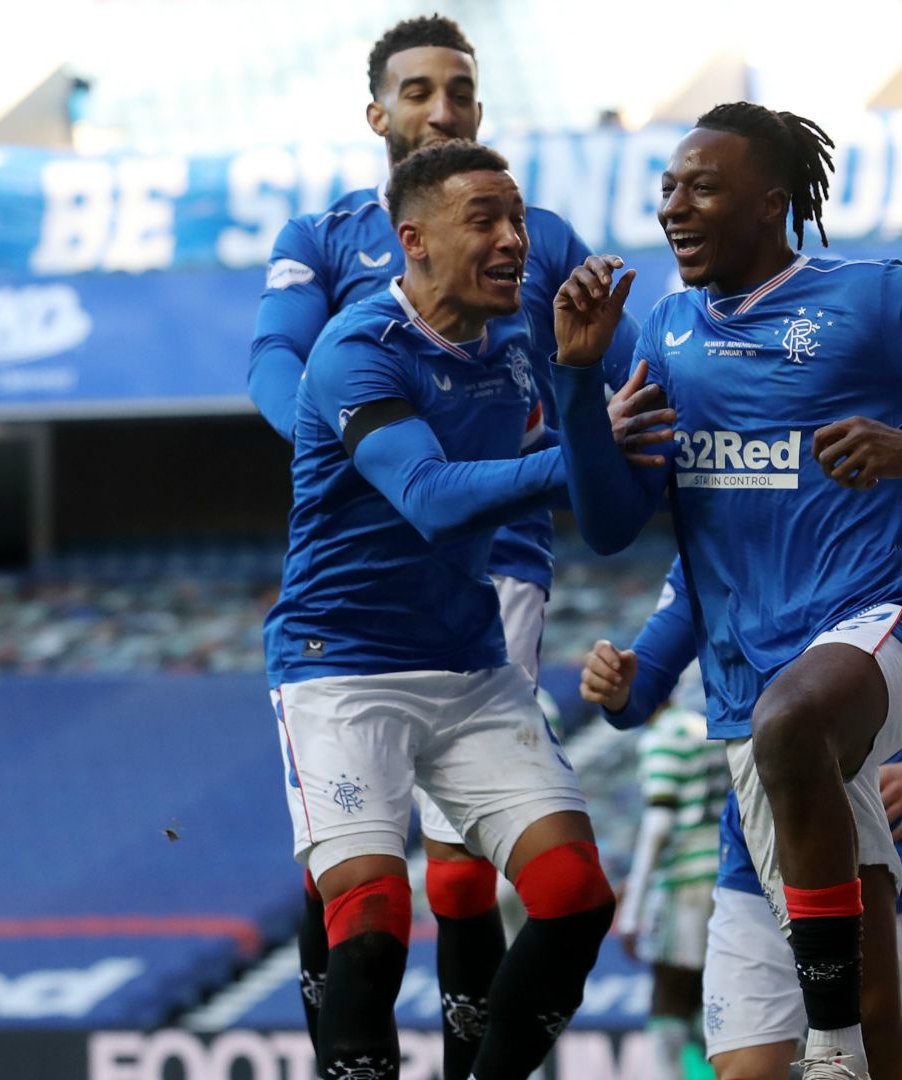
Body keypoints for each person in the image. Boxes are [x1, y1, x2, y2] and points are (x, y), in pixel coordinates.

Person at [549, 101, 902, 1078]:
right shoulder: (665, 336)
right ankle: (857, 1040)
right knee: (863, 1029)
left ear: (771, 204)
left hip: (885, 630)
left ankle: (830, 1045)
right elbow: (609, 525)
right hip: (749, 710)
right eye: (667, 187)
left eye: (702, 186)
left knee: (795, 724)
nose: (675, 205)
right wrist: (579, 386)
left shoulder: (873, 298)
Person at [245, 16, 637, 1074]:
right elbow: (298, 380)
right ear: (379, 113)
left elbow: (629, 402)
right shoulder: (335, 264)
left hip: (485, 596)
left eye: (459, 91)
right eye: (417, 92)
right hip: (351, 626)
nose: (441, 109)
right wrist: (345, 438)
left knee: (515, 884)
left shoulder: (535, 258)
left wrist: (608, 439)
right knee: (370, 905)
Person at [581, 497, 902, 1079]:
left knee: (868, 1048)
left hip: (888, 838)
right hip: (758, 846)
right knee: (748, 1070)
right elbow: (641, 689)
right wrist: (618, 688)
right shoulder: (718, 531)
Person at [612, 670, 730, 1079]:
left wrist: (631, 909)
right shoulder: (703, 728)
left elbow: (660, 824)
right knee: (712, 996)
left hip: (685, 882)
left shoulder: (662, 736)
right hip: (725, 874)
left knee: (668, 996)